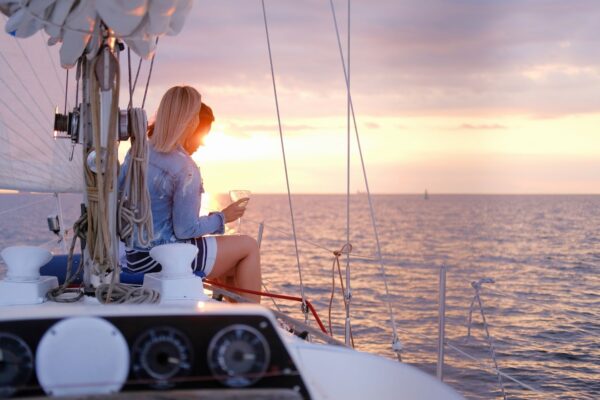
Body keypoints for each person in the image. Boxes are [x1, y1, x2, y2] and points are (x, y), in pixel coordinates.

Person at [119, 86, 261, 303]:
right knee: (248, 246)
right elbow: (185, 230)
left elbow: (119, 195)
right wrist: (223, 217)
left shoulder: (137, 152)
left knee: (228, 257)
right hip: (164, 260)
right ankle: (252, 323)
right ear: (190, 121)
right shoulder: (185, 168)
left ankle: (233, 315)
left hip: (135, 257)